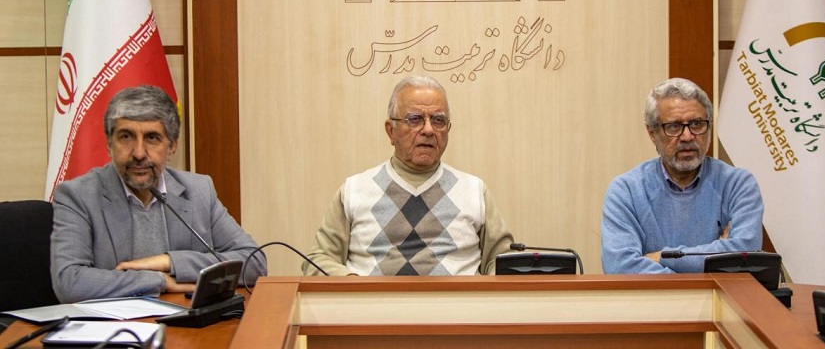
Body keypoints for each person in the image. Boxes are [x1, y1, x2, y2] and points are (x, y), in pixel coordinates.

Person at [50, 85, 267, 303]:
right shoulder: (78, 196)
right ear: (109, 144)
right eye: (126, 137)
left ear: (171, 147)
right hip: (116, 324)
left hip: (185, 321)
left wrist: (168, 262)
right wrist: (158, 280)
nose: (138, 153)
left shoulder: (198, 191)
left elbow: (254, 262)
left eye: (152, 138)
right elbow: (69, 282)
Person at [304, 75, 514, 276]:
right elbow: (318, 260)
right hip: (373, 302)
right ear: (391, 131)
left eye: (438, 120)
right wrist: (353, 284)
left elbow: (503, 262)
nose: (428, 130)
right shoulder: (354, 190)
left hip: (457, 302)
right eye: (415, 119)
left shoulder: (474, 191)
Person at [601, 77, 763, 274]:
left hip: (713, 299)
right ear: (652, 133)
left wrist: (661, 257)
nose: (687, 136)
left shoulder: (738, 185)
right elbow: (620, 267)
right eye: (674, 126)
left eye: (697, 124)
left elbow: (743, 256)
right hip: (674, 298)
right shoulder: (626, 191)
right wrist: (714, 259)